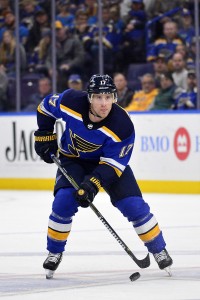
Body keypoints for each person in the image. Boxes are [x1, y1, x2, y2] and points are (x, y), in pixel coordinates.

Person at [34, 74, 173, 279]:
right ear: (89, 97)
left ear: (115, 98)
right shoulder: (71, 100)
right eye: (98, 97)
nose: (104, 103)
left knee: (133, 205)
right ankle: (54, 251)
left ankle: (158, 249)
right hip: (73, 160)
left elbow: (113, 165)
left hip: (108, 164)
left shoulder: (122, 125)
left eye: (108, 97)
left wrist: (92, 184)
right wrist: (45, 135)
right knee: (63, 202)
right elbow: (45, 107)